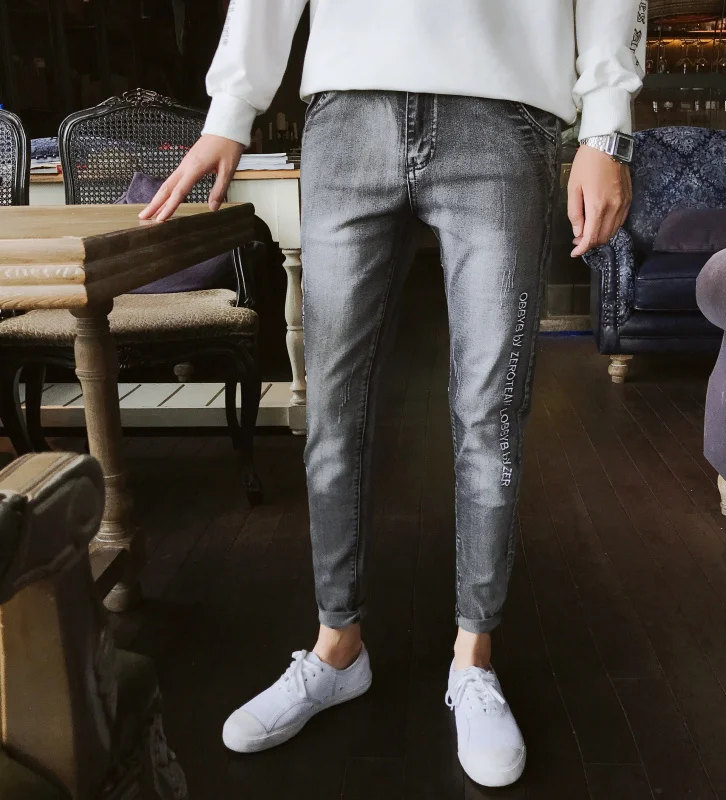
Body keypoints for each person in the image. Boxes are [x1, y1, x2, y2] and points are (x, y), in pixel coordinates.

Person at [141, 0, 647, 788]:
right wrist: (233, 104)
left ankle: (473, 657)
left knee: (491, 415)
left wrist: (607, 124)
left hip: (504, 106)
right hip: (348, 110)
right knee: (332, 410)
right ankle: (337, 646)